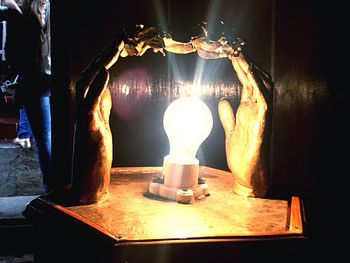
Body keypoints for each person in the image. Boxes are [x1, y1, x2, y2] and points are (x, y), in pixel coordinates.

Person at [1, 0, 52, 193]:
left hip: (34, 77)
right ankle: (57, 188)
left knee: (44, 139)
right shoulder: (44, 8)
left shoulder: (18, 11)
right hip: (57, 74)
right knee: (51, 137)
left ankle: (51, 189)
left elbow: (13, 53)